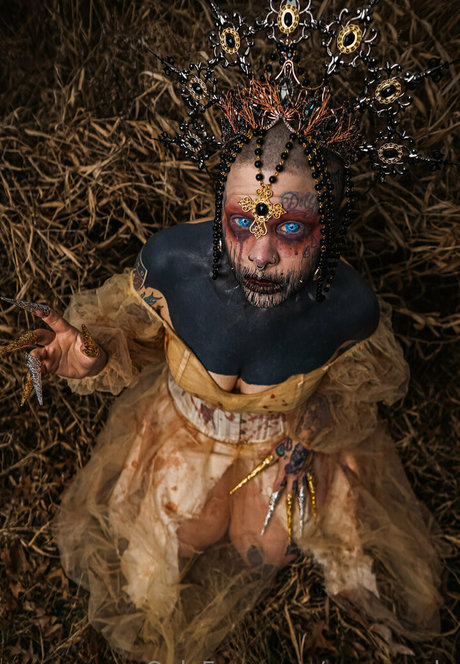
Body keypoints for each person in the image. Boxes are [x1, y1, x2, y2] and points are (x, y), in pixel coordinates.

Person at [14, 123, 442, 662]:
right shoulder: (173, 266)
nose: (259, 256)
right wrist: (94, 355)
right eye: (242, 221)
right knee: (180, 532)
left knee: (267, 548)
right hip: (187, 428)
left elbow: (351, 392)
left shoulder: (349, 309)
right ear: (220, 209)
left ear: (328, 225)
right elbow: (135, 337)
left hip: (275, 441)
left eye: (290, 228)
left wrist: (304, 442)